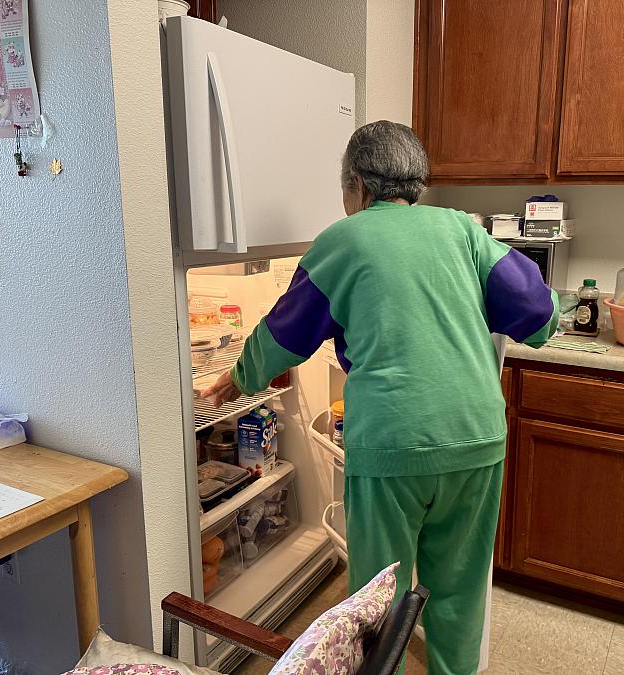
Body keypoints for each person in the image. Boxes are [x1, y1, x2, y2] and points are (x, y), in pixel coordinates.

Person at [202, 120, 559, 674]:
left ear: (359, 186)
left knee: (378, 596)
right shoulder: (462, 232)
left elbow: (283, 336)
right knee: (460, 592)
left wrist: (239, 376)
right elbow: (540, 317)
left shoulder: (341, 241)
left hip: (391, 442)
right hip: (477, 438)